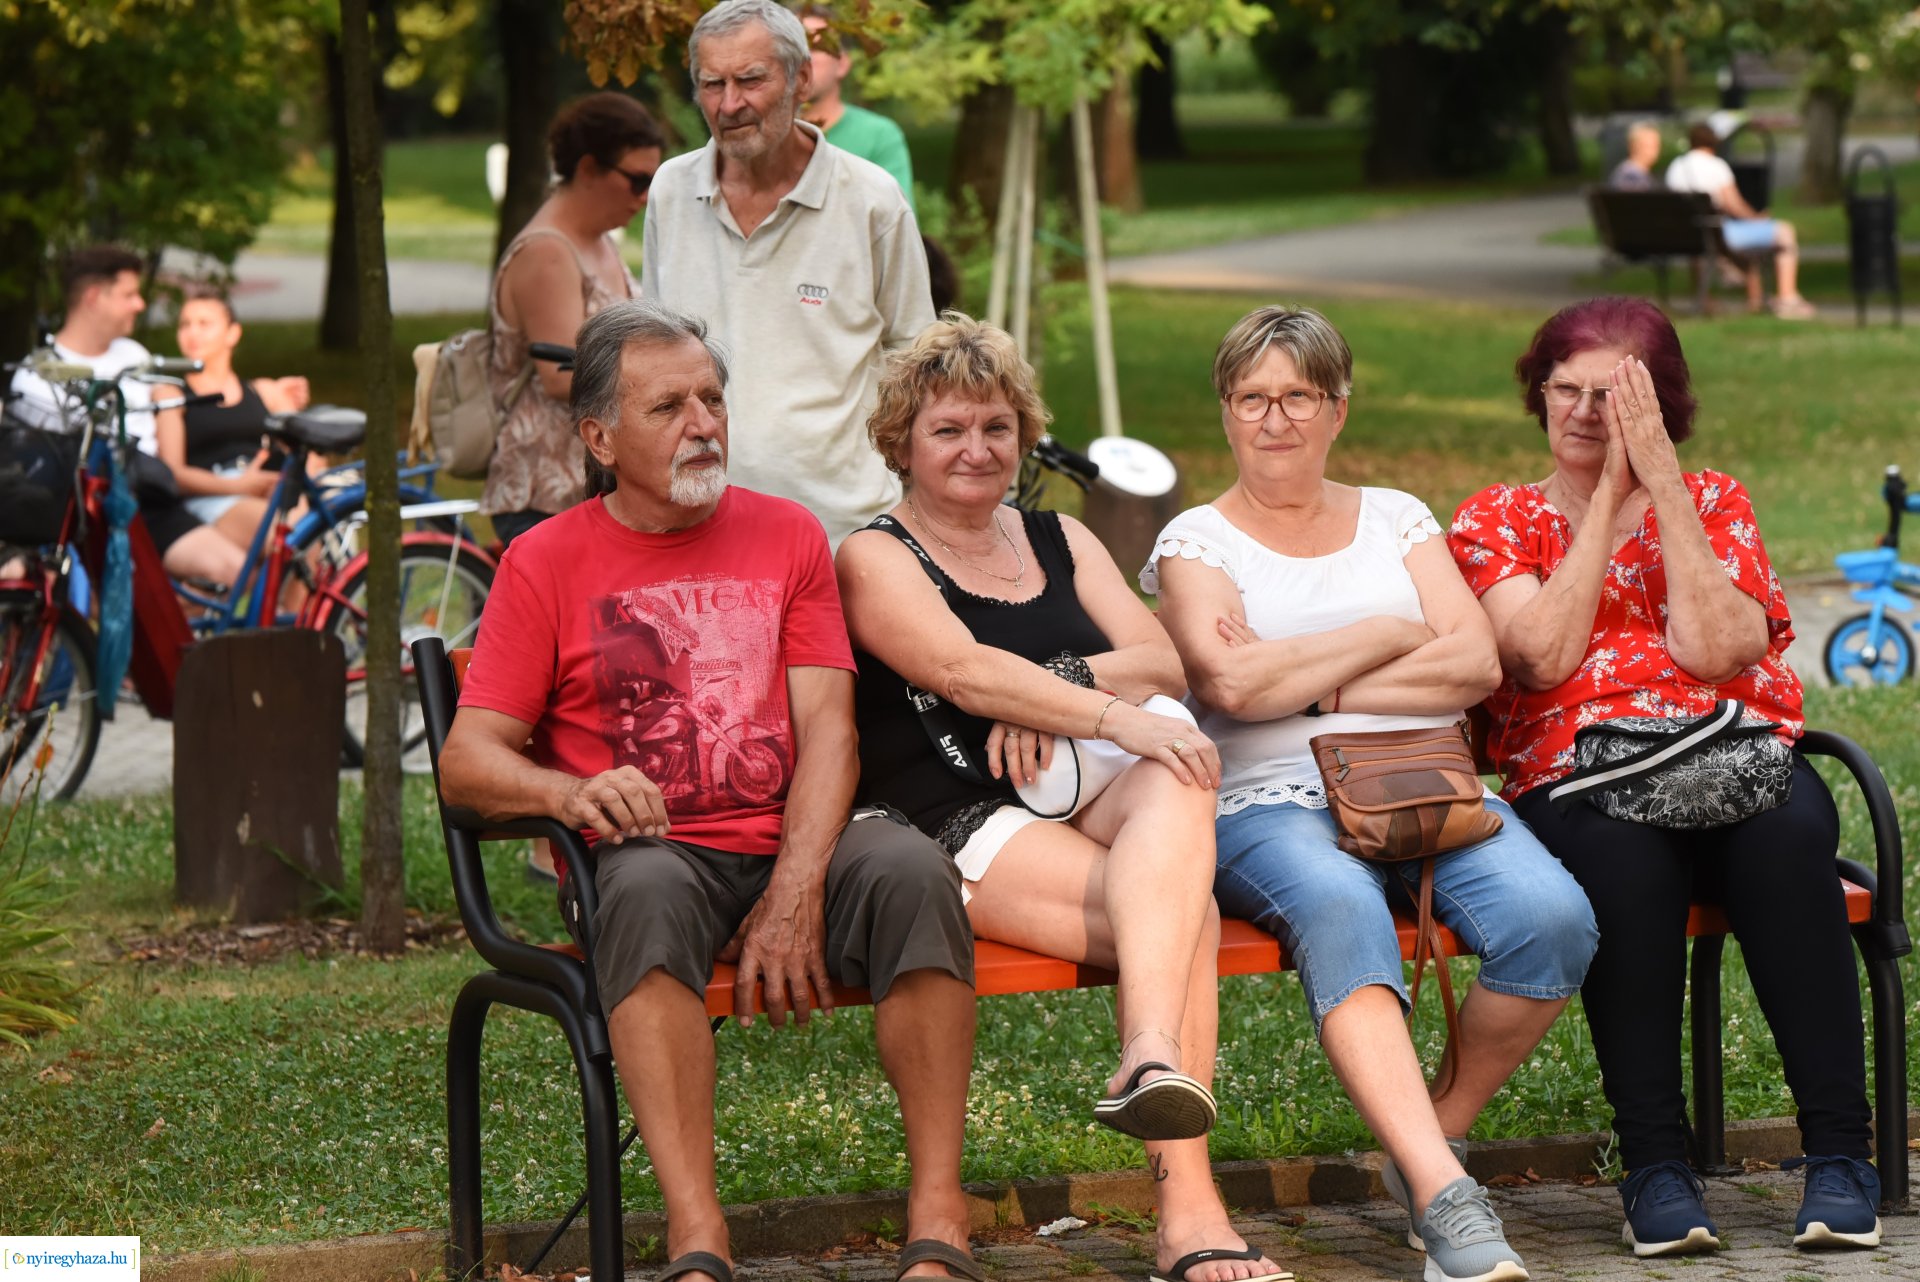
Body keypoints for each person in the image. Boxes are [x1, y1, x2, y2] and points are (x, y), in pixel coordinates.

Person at [438, 300, 981, 1282]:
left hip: (792, 835)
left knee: (911, 869)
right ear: (599, 437)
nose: (703, 423)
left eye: (713, 399)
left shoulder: (787, 535)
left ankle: (938, 1214)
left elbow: (829, 729)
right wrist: (571, 793)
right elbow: (468, 761)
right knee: (637, 891)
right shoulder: (543, 562)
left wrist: (796, 885)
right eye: (669, 407)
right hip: (655, 857)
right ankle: (699, 1235)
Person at [837, 314, 1292, 1282]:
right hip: (955, 810)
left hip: (1083, 790)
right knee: (1188, 915)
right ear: (902, 444)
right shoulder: (872, 556)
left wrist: (1057, 680)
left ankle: (1149, 1054)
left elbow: (1162, 656)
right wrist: (1110, 713)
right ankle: (1188, 1206)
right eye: (949, 429)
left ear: (1023, 433)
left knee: (1178, 774)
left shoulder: (1061, 534)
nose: (976, 449)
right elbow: (958, 669)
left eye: (997, 426)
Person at [1149, 305, 1600, 1282]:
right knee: (1344, 905)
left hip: (1417, 781)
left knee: (1553, 917)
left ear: (1337, 408)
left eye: (1298, 397)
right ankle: (1449, 1200)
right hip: (1265, 803)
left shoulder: (1396, 516)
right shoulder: (1197, 541)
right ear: (1226, 412)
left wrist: (1306, 678)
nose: (1275, 419)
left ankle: (1425, 1140)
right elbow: (1232, 690)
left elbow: (1477, 660)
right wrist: (1394, 635)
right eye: (1253, 398)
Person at [1448, 296, 1880, 1258]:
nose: (1585, 414)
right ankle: (1655, 1165)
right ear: (1539, 394)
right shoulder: (1498, 519)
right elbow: (1541, 663)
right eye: (1567, 390)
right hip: (1577, 773)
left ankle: (1841, 1158)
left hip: (1733, 753)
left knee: (1789, 843)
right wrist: (1606, 497)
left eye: (1615, 395)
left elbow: (1720, 647)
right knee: (1623, 867)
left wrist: (1665, 489)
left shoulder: (1715, 499)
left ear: (1662, 403)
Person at [642, 0, 934, 547]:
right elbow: (655, 351)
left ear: (802, 78)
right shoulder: (671, 189)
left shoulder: (871, 199)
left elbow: (917, 362)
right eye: (711, 84)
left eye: (751, 80)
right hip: (696, 521)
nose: (730, 104)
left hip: (843, 529)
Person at [482, 91, 660, 548]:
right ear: (587, 169)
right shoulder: (547, 253)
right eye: (637, 180)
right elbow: (562, 378)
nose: (644, 198)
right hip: (547, 492)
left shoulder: (598, 242)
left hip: (590, 487)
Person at [7, 246, 245, 586]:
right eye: (129, 294)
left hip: (149, 502)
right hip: (84, 515)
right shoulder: (40, 373)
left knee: (235, 570)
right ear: (94, 297)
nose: (140, 304)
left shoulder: (133, 355)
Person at [165, 293, 312, 551]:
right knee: (295, 537)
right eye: (185, 324)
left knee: (311, 529)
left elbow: (307, 447)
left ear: (233, 333)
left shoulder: (263, 391)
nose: (192, 333)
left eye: (204, 323)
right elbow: (173, 473)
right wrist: (238, 485)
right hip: (212, 495)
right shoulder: (171, 394)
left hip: (268, 486)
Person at [1664, 123, 1814, 319]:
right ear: (1713, 143)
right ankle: (1786, 297)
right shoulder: (1715, 166)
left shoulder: (1676, 167)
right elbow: (1734, 205)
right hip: (1717, 234)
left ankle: (1725, 300)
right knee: (1785, 231)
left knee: (1729, 245)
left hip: (1685, 234)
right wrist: (1756, 219)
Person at [796, 4, 915, 208]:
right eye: (794, 47)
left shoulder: (878, 136)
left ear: (842, 64)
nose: (803, 59)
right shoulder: (763, 135)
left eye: (816, 48)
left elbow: (897, 226)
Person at [1608, 122, 1661, 190]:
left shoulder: (1641, 175)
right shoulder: (1631, 177)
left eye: (1657, 145)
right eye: (1651, 145)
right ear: (1633, 146)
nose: (1656, 150)